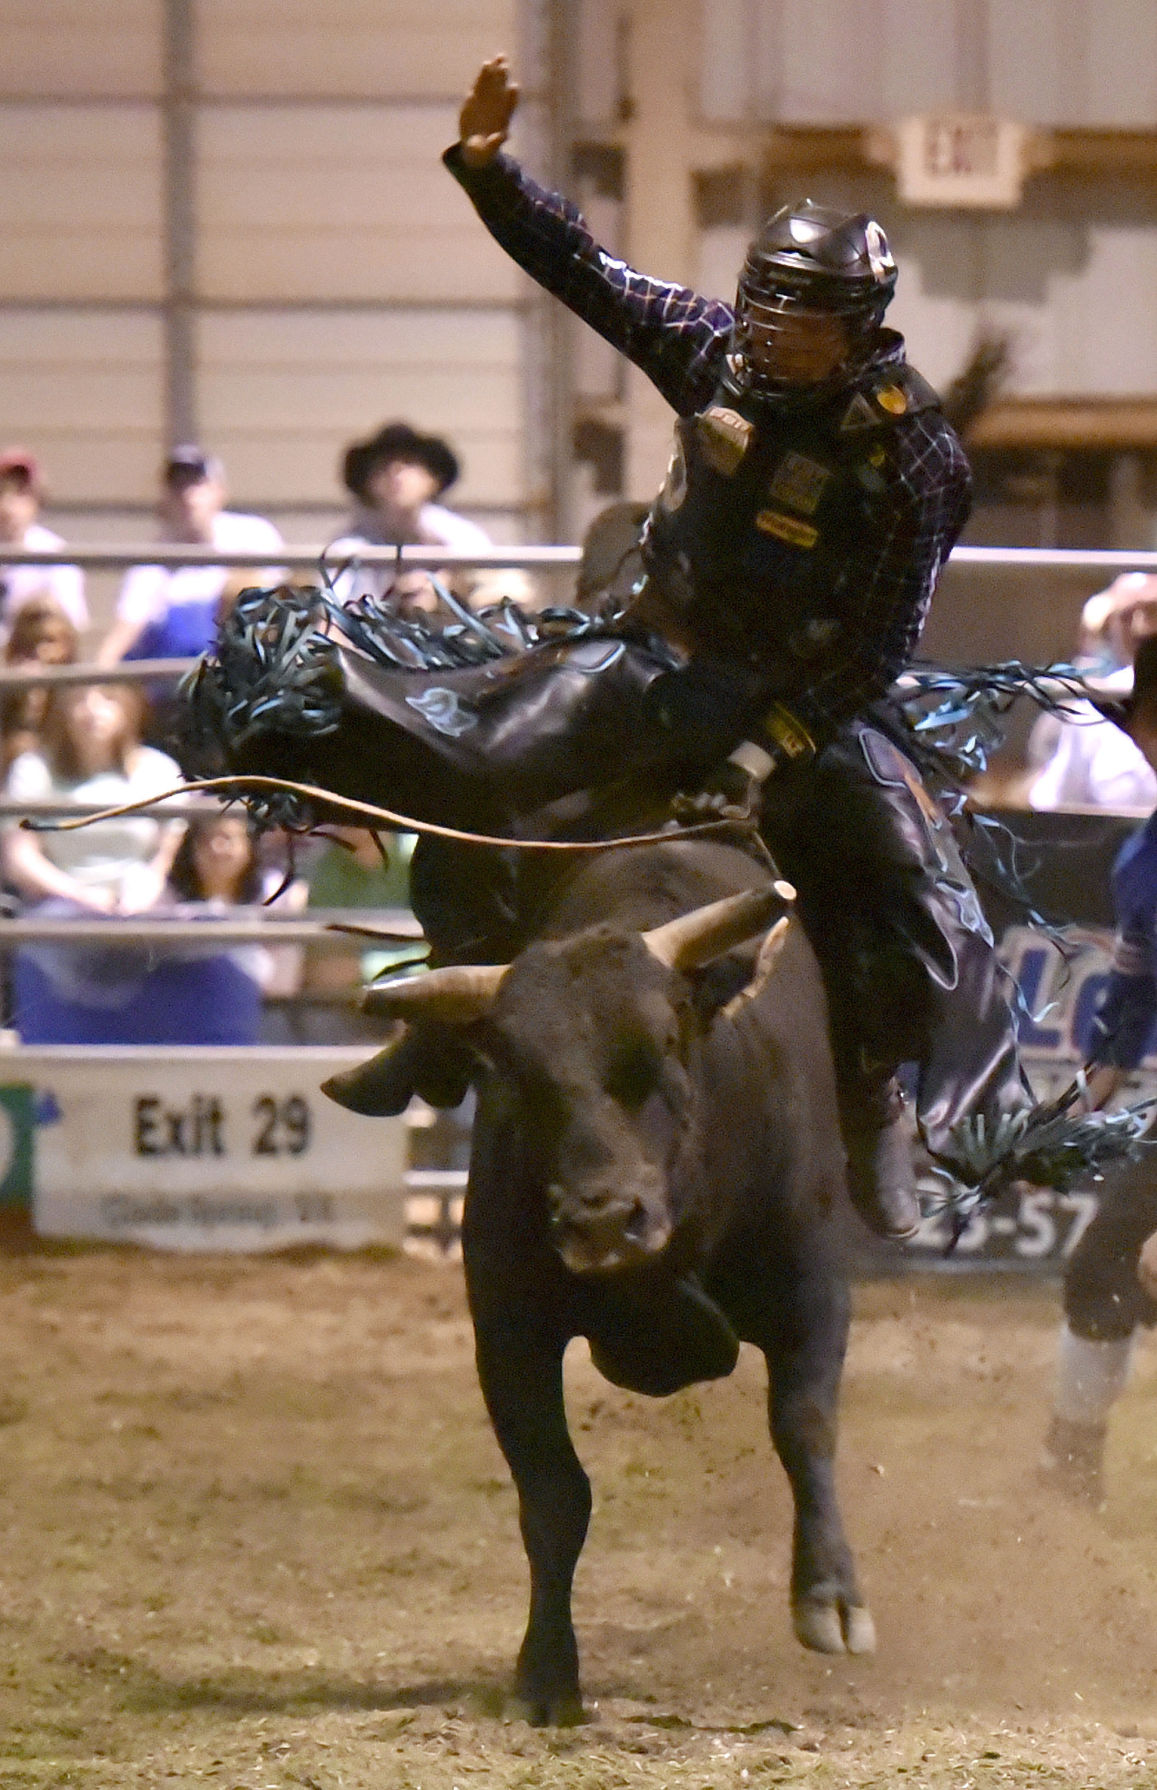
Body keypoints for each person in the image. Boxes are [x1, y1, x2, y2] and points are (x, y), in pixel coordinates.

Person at [325, 53, 1028, 1243]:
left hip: (810, 697)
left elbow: (877, 643)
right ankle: (442, 1022)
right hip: (653, 653)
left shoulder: (913, 458)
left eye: (802, 322)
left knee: (913, 904)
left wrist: (767, 753)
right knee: (465, 772)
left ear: (859, 331)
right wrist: (490, 170)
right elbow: (586, 273)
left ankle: (870, 1110)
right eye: (764, 307)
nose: (773, 336)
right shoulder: (711, 353)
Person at [1040, 635, 1157, 1505]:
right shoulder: (1144, 856)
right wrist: (1110, 1058)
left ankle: (1071, 1464)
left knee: (1110, 1262)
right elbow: (1137, 967)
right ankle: (1070, 1465)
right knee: (1104, 1266)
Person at [1, 684, 185, 1043]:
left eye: (107, 699)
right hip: (60, 901)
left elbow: (163, 855)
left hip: (140, 900)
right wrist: (81, 896)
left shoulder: (159, 770)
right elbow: (19, 859)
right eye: (81, 699)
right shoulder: (34, 769)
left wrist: (145, 888)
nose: (92, 709)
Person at [97, 446, 283, 668]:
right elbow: (126, 629)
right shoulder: (151, 559)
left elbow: (285, 609)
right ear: (165, 498)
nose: (187, 495)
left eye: (197, 483)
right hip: (171, 682)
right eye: (177, 485)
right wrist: (97, 677)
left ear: (220, 491)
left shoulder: (253, 535)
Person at [328, 421, 497, 614]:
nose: (395, 473)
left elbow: (496, 588)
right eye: (383, 465)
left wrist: (445, 584)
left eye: (409, 463)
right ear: (368, 483)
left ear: (433, 479)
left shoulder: (458, 535)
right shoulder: (350, 544)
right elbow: (330, 605)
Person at [1029, 573, 1157, 812]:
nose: (1141, 627)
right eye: (1127, 617)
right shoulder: (1095, 706)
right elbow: (1055, 804)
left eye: (1153, 612)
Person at [0, 449, 87, 636]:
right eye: (2, 491)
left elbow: (72, 627)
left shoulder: (54, 554)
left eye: (21, 493)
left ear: (38, 498)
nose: (8, 504)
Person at [0, 598, 80, 773]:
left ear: (68, 644)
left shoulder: (84, 696)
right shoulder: (6, 693)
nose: (39, 652)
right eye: (27, 645)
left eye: (49, 641)